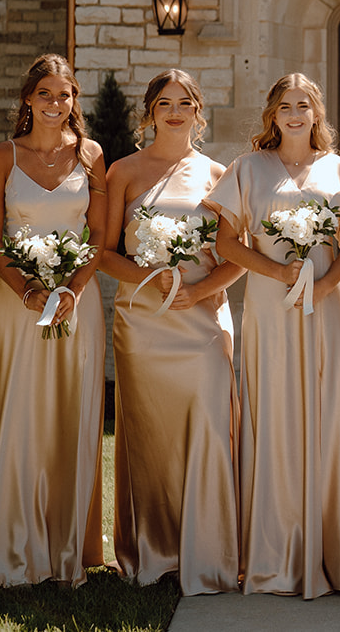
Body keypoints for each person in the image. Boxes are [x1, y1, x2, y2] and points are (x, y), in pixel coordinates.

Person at [207, 73, 340, 597]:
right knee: (272, 416)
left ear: (317, 114)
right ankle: (273, 555)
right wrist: (277, 275)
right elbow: (227, 242)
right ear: (272, 114)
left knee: (327, 415)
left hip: (324, 309)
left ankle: (329, 551)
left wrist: (322, 287)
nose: (295, 114)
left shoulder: (337, 168)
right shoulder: (248, 168)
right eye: (285, 106)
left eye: (305, 105)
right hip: (271, 311)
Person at [100, 69, 242, 593]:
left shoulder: (218, 174)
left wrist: (199, 292)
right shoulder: (124, 172)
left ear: (198, 112)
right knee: (150, 432)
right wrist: (151, 278)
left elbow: (236, 258)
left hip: (202, 319)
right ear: (150, 113)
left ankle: (209, 551)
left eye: (185, 102)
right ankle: (155, 551)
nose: (175, 112)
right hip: (143, 321)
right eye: (165, 103)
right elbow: (104, 253)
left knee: (208, 420)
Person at [0, 54, 107, 587]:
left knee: (73, 413)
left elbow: (99, 236)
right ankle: (14, 547)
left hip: (80, 302)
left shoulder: (93, 155)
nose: (56, 103)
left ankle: (69, 547)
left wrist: (72, 288)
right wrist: (29, 290)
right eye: (45, 94)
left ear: (75, 99)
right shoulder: (0, 157)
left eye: (65, 94)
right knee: (22, 411)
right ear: (28, 99)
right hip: (18, 302)